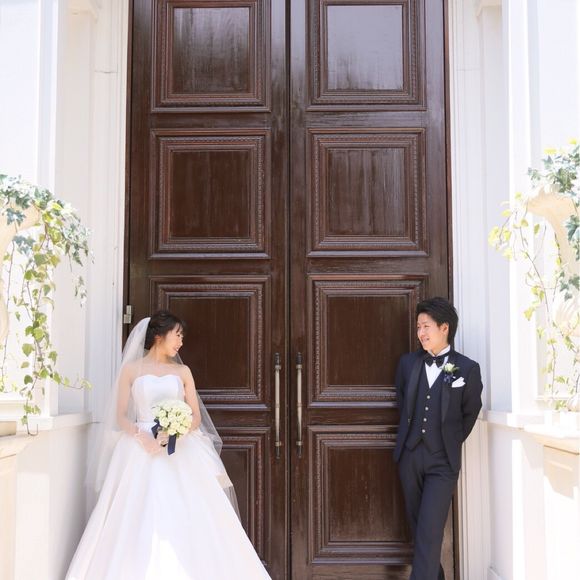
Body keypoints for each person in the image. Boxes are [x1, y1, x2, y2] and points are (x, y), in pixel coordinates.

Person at [66, 311, 271, 580]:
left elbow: (195, 416)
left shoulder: (182, 371)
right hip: (138, 448)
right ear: (159, 335)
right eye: (178, 335)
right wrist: (142, 437)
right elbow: (121, 416)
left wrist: (176, 430)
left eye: (182, 337)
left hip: (179, 447)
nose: (181, 342)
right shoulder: (131, 370)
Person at [393, 297, 483, 580]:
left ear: (445, 328)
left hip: (442, 462)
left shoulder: (466, 369)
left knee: (430, 530)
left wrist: (449, 441)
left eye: (426, 326)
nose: (421, 332)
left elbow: (470, 412)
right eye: (418, 326)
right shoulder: (407, 364)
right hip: (410, 457)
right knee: (420, 530)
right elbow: (403, 403)